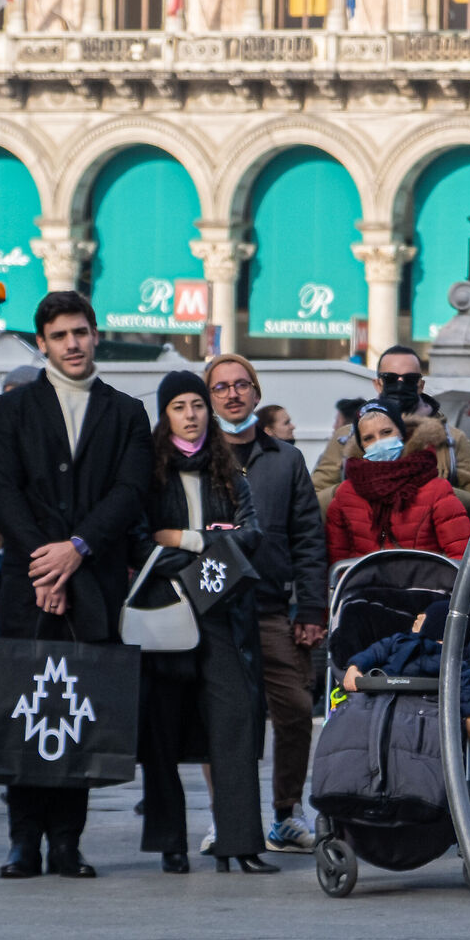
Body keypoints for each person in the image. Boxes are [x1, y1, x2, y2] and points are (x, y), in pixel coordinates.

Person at [0, 290, 153, 879]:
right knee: (24, 709)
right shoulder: (12, 410)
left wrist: (77, 551)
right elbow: (2, 492)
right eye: (59, 336)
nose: (72, 344)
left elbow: (129, 494)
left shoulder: (128, 412)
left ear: (95, 334)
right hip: (27, 581)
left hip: (93, 579)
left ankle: (67, 843)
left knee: (77, 711)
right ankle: (22, 840)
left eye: (80, 332)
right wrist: (44, 564)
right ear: (43, 343)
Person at [133, 372, 276, 876]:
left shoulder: (229, 472)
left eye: (198, 404)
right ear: (164, 414)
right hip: (166, 616)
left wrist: (183, 539)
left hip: (223, 617)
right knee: (164, 732)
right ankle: (170, 843)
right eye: (179, 406)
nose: (192, 413)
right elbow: (140, 542)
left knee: (237, 723)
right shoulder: (148, 475)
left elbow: (253, 533)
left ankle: (239, 843)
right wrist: (207, 545)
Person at [207, 354, 327, 854]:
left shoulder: (286, 459)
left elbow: (308, 539)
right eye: (221, 388)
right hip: (214, 611)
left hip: (274, 609)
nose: (232, 394)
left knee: (296, 710)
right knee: (225, 719)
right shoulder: (199, 457)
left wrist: (312, 609)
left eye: (241, 385)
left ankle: (286, 814)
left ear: (257, 393)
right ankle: (226, 818)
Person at [311, 345, 470, 512]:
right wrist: (350, 491)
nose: (400, 386)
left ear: (420, 385)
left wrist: (435, 492)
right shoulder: (347, 437)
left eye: (409, 380)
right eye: (391, 379)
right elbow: (314, 497)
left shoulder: (451, 439)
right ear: (378, 384)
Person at [327, 401, 470, 562]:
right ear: (361, 446)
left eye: (386, 432)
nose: (379, 442)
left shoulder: (436, 489)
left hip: (424, 585)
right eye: (369, 438)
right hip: (366, 585)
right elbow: (337, 560)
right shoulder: (346, 494)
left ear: (402, 433)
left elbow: (461, 555)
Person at [340, 596, 470, 737]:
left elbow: (464, 686)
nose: (417, 617)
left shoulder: (449, 660)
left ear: (439, 627)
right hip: (386, 699)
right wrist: (355, 667)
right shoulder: (399, 641)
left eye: (424, 617)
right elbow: (374, 652)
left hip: (426, 709)